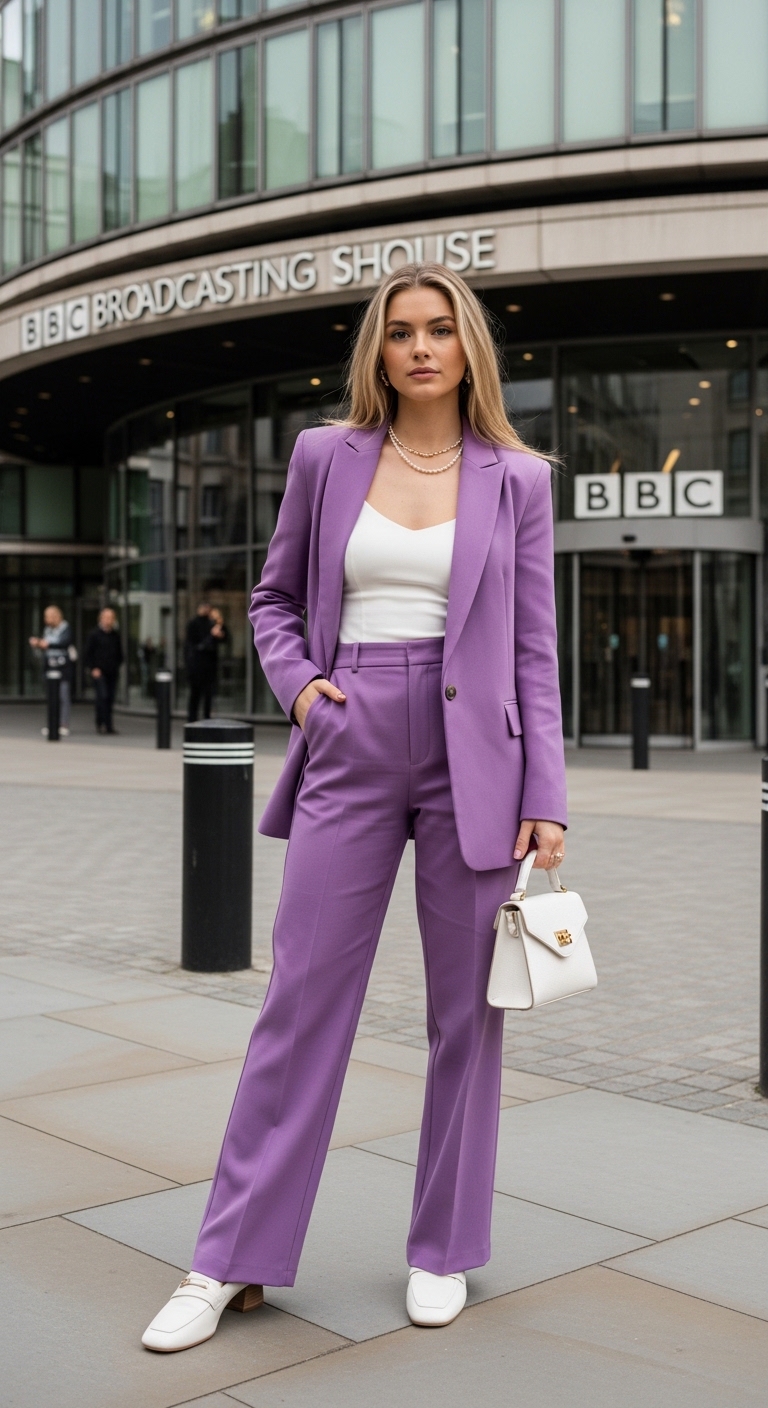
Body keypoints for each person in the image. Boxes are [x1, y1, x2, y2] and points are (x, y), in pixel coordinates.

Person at [143, 262, 566, 1352]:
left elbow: (532, 649)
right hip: (352, 726)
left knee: (466, 1016)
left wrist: (547, 796)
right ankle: (227, 1256)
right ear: (377, 352)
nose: (420, 348)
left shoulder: (517, 478)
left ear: (468, 346)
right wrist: (301, 687)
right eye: (399, 333)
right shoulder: (325, 457)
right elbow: (275, 596)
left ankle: (442, 1248)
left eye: (438, 330)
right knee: (300, 1002)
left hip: (480, 754)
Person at [29, 604, 73, 737]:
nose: (47, 619)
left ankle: (63, 723)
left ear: (56, 616)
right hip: (49, 667)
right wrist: (38, 644)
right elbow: (45, 646)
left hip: (62, 668)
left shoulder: (65, 628)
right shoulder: (47, 630)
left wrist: (47, 644)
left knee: (63, 696)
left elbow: (64, 642)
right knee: (52, 697)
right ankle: (52, 723)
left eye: (49, 616)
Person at [185, 603, 228, 721]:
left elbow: (224, 637)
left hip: (209, 665)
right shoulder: (194, 624)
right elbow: (194, 645)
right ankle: (192, 718)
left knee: (208, 694)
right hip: (197, 665)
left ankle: (206, 718)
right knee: (196, 694)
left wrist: (219, 622)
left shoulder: (212, 623)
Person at [84, 608, 124, 735]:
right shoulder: (94, 634)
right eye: (106, 617)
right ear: (101, 619)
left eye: (111, 618)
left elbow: (120, 653)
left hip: (112, 671)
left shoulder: (115, 635)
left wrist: (117, 665)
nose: (108, 620)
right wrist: (93, 668)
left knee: (110, 698)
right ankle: (100, 722)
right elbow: (88, 653)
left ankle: (109, 725)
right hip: (99, 671)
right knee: (102, 696)